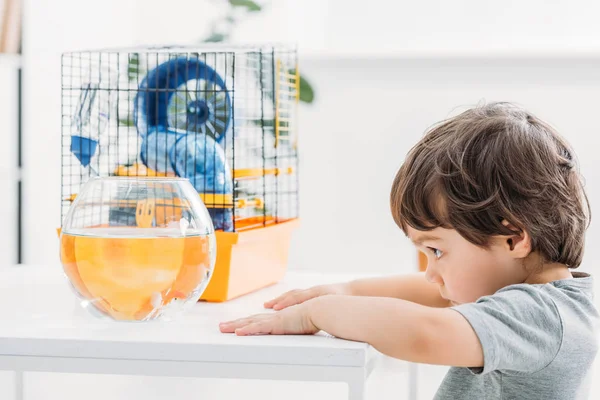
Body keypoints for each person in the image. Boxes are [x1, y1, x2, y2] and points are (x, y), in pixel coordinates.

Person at [219, 102, 599, 399]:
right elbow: (433, 291)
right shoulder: (547, 298)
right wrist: (348, 291)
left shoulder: (540, 316)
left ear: (513, 238)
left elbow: (425, 333)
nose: (431, 273)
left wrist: (318, 313)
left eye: (436, 251)